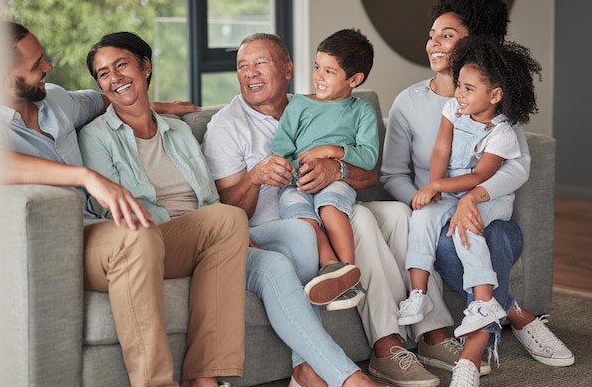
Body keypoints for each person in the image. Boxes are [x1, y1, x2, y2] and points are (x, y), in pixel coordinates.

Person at [79, 31, 385, 387]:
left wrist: (231, 232)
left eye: (121, 66)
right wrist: (224, 224)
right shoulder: (97, 137)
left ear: (145, 67)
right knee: (229, 221)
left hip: (210, 237)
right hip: (155, 237)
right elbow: (116, 210)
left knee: (294, 241)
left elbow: (210, 200)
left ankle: (315, 370)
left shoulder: (177, 132)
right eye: (103, 73)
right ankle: (349, 379)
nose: (114, 77)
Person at [0, 22, 248, 387]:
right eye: (36, 65)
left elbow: (104, 96)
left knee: (227, 220)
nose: (48, 66)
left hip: (104, 234)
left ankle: (205, 376)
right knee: (137, 234)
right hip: (61, 247)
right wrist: (85, 177)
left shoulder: (55, 99)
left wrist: (156, 106)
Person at [203, 32, 441, 387]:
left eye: (260, 63)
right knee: (358, 218)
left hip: (329, 206)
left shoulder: (314, 104)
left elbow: (368, 173)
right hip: (274, 226)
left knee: (400, 215)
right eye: (242, 65)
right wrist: (255, 178)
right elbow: (228, 209)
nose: (249, 72)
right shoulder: (226, 126)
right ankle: (385, 345)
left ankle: (434, 331)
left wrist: (337, 168)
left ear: (287, 69)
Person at [378, 0, 574, 386]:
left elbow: (516, 168)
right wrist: (426, 200)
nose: (433, 42)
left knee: (496, 232)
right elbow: (392, 175)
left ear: (475, 43)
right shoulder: (409, 102)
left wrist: (473, 196)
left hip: (485, 212)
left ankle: (481, 335)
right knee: (465, 239)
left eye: (447, 35)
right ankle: (510, 318)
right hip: (437, 216)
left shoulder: (496, 106)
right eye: (432, 33)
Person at [399, 36, 542, 342]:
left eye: (468, 88)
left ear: (495, 95)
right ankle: (419, 292)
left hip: (490, 197)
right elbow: (441, 149)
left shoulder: (502, 132)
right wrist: (434, 187)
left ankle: (483, 301)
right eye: (459, 85)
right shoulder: (453, 108)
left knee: (468, 228)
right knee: (422, 217)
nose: (459, 93)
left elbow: (480, 176)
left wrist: (441, 185)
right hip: (452, 189)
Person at [271, 28, 379, 310]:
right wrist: (297, 171)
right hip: (297, 183)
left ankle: (348, 274)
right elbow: (281, 148)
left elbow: (368, 158)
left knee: (330, 209)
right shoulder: (298, 107)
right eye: (318, 67)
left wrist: (331, 151)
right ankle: (332, 267)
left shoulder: (361, 111)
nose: (318, 76)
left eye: (329, 71)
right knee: (301, 220)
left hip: (335, 179)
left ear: (354, 79)